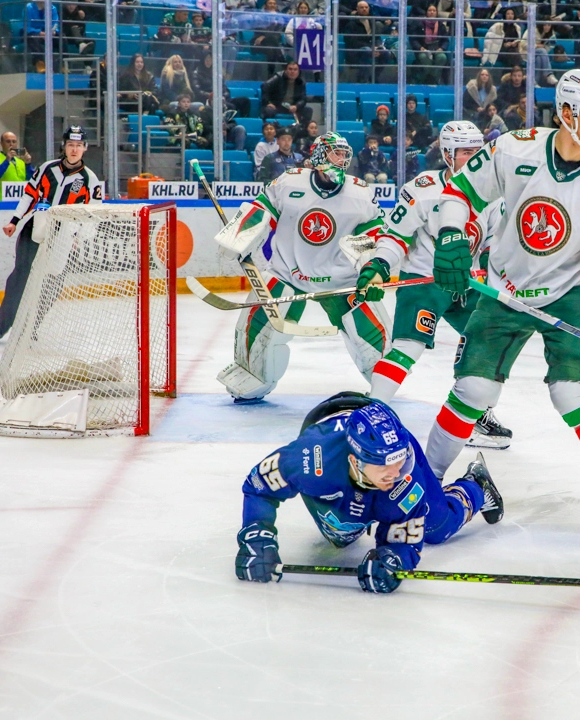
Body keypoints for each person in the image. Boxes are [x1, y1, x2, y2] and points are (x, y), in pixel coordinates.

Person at [426, 70, 580, 549]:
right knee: (471, 389)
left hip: (571, 293)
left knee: (572, 395)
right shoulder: (515, 148)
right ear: (566, 114)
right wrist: (450, 234)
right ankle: (421, 486)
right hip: (505, 288)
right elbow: (459, 193)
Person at [235, 395, 504, 593]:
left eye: (400, 462)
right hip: (329, 445)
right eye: (385, 465)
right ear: (356, 462)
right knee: (340, 536)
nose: (396, 473)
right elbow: (259, 487)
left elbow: (404, 540)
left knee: (436, 526)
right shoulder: (310, 461)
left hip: (380, 438)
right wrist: (258, 537)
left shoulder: (402, 480)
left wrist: (393, 559)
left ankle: (476, 485)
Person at [356, 120, 512, 449]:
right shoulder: (423, 189)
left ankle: (475, 415)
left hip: (468, 283)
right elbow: (396, 235)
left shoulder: (493, 194)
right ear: (446, 153)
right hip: (424, 281)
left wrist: (491, 266)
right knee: (409, 347)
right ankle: (371, 415)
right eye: (464, 153)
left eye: (477, 152)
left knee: (487, 343)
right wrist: (381, 264)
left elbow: (494, 244)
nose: (472, 159)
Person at [216, 133, 387, 403]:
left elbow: (374, 234)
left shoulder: (360, 192)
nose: (341, 160)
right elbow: (261, 208)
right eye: (335, 153)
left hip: (341, 279)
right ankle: (252, 375)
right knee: (260, 325)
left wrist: (372, 268)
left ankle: (385, 379)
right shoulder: (289, 181)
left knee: (371, 335)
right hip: (288, 273)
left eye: (345, 155)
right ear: (318, 156)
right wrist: (238, 236)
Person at [0, 126, 103, 341]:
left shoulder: (90, 180)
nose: (74, 149)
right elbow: (29, 195)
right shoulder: (46, 168)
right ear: (64, 146)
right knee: (20, 275)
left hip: (64, 235)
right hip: (36, 228)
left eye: (79, 145)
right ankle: (4, 325)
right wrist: (14, 221)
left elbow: (92, 213)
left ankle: (32, 328)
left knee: (53, 282)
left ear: (85, 148)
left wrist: (80, 238)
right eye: (71, 144)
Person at [259, 62, 312, 127]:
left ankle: (302, 130)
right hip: (277, 105)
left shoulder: (301, 82)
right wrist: (268, 102)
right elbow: (265, 86)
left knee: (308, 110)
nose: (292, 71)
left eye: (295, 70)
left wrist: (296, 106)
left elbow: (303, 98)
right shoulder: (278, 77)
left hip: (292, 107)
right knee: (268, 111)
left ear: (298, 72)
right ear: (285, 70)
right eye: (290, 69)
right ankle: (268, 128)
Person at [0, 132, 34, 201]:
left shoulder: (21, 161)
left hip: (20, 201)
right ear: (2, 143)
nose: (11, 144)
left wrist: (28, 164)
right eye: (8, 141)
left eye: (14, 142)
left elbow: (31, 179)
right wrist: (7, 161)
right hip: (1, 202)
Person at [409, 4, 448, 85]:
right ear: (426, 12)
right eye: (430, 10)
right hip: (423, 49)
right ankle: (431, 80)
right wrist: (420, 47)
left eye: (434, 11)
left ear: (437, 13)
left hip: (436, 49)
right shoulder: (419, 24)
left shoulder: (441, 25)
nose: (432, 12)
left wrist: (442, 48)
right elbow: (413, 39)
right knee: (424, 57)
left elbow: (446, 40)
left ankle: (429, 79)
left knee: (442, 57)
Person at [25, 0, 59, 73]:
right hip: (35, 32)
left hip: (48, 33)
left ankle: (63, 64)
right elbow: (27, 27)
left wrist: (53, 31)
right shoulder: (28, 7)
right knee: (32, 37)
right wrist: (40, 33)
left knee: (61, 36)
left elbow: (55, 24)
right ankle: (40, 63)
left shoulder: (52, 8)